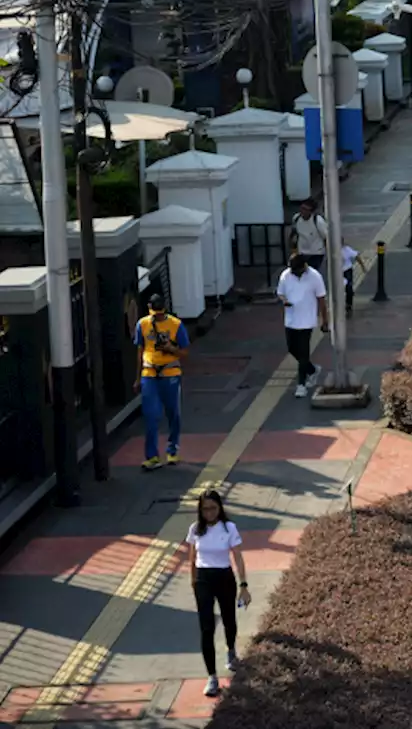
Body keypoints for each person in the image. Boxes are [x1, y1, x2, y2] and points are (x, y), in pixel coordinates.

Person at [184, 489, 250, 698]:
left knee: (229, 619)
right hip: (203, 579)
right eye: (205, 509)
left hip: (224, 577)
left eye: (213, 508)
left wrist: (244, 585)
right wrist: (193, 581)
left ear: (220, 508)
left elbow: (238, 557)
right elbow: (192, 558)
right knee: (206, 628)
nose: (209, 513)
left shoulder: (229, 528)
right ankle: (212, 677)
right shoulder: (195, 529)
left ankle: (231, 652)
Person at [134, 293, 189, 470]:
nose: (156, 315)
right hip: (149, 373)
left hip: (170, 373)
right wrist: (137, 378)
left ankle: (172, 450)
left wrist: (170, 348)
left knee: (173, 413)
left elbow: (185, 352)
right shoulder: (142, 325)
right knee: (151, 415)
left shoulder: (176, 325)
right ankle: (152, 456)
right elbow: (139, 351)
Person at [276, 253, 329, 399]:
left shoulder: (315, 277)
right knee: (292, 349)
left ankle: (301, 385)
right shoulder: (286, 275)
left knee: (303, 350)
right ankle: (312, 370)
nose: (293, 272)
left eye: (296, 270)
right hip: (291, 319)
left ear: (303, 267)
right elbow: (280, 293)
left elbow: (321, 300)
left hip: (307, 320)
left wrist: (325, 320)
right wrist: (284, 300)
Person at [289, 198, 327, 272]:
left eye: (306, 210)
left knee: (311, 272)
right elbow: (294, 233)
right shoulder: (296, 218)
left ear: (311, 211)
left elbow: (325, 237)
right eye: (302, 208)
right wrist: (292, 247)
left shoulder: (318, 221)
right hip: (302, 252)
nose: (303, 211)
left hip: (316, 253)